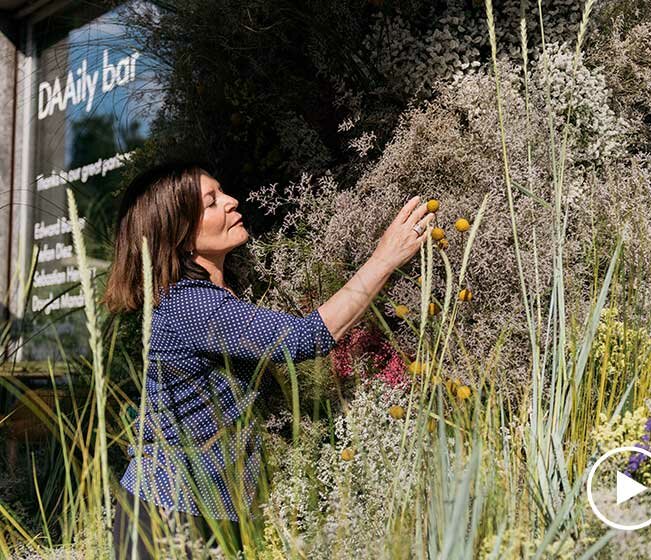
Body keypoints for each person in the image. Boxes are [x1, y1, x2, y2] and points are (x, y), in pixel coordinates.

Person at [103, 162, 434, 558]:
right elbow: (307, 337)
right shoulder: (190, 305)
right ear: (181, 234)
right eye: (211, 202)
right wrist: (384, 257)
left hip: (206, 508)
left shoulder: (206, 299)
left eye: (221, 191)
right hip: (166, 517)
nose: (231, 201)